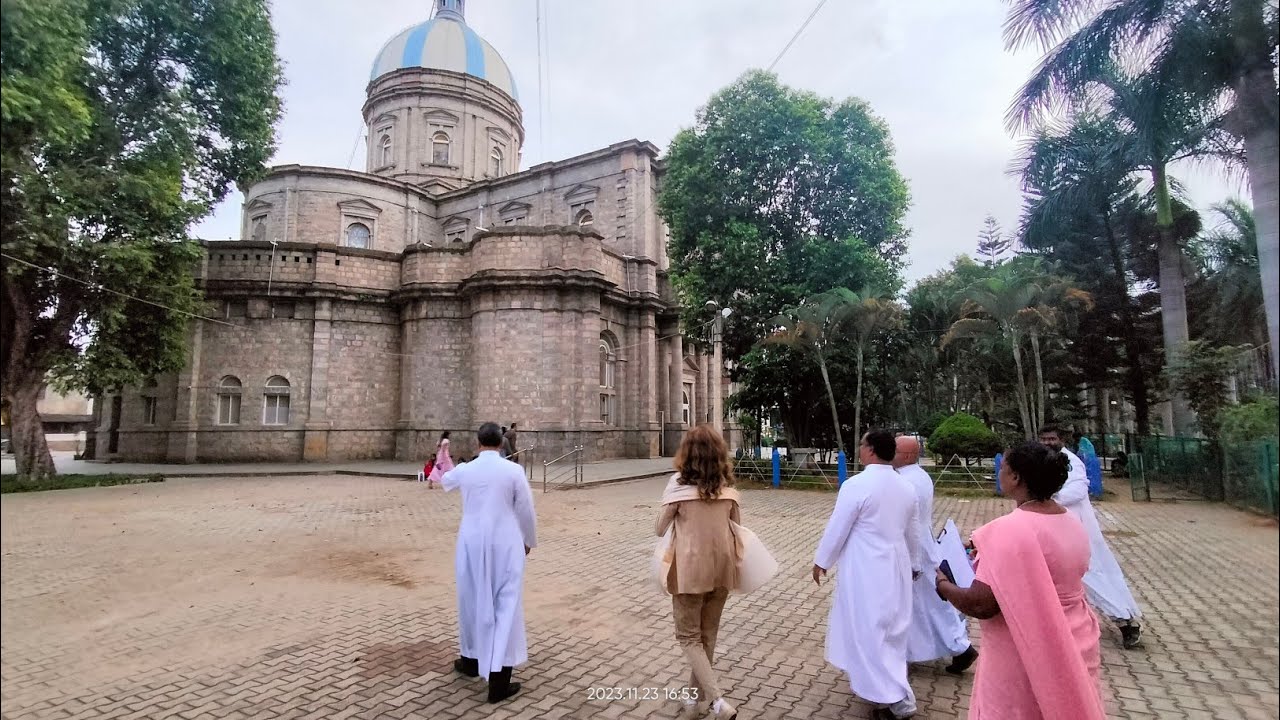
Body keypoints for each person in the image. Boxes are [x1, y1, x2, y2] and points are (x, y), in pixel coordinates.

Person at [936, 442, 1105, 720]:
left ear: (1015, 478)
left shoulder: (1009, 529)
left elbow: (982, 604)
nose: (998, 473)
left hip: (1024, 650)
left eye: (1002, 467)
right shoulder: (1072, 522)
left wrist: (943, 584)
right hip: (1076, 637)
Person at [813, 430, 921, 720]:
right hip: (896, 565)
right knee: (892, 629)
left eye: (862, 444)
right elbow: (913, 532)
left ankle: (895, 699)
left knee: (867, 629)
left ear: (871, 450)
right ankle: (881, 688)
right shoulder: (905, 486)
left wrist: (822, 560)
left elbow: (839, 527)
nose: (859, 449)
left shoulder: (856, 485)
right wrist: (914, 564)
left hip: (865, 567)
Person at [442, 422, 537, 703]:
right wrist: (528, 540)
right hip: (505, 543)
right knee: (505, 604)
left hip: (470, 543)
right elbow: (526, 510)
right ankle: (498, 680)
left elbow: (446, 480)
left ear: (478, 442)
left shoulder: (467, 469)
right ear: (501, 443)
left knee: (471, 600)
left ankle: (471, 660)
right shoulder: (513, 471)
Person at [654, 425, 742, 720]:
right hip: (722, 569)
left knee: (689, 638)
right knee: (707, 637)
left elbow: (659, 528)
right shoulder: (729, 491)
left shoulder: (678, 489)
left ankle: (717, 702)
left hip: (689, 572)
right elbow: (737, 528)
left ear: (686, 454)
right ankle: (693, 702)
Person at [1040, 425, 1143, 649]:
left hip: (1077, 534)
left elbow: (1077, 490)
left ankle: (1125, 622)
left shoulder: (1071, 461)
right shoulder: (1043, 461)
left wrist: (1047, 496)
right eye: (1044, 439)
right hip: (1052, 531)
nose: (1048, 442)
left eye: (1052, 438)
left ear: (1061, 440)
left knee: (1092, 578)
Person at [892, 436, 977, 674]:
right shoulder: (918, 476)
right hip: (921, 548)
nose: (891, 454)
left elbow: (906, 521)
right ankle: (917, 650)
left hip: (915, 551)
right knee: (922, 604)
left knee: (929, 604)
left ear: (908, 455)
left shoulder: (907, 481)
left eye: (895, 451)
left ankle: (960, 647)